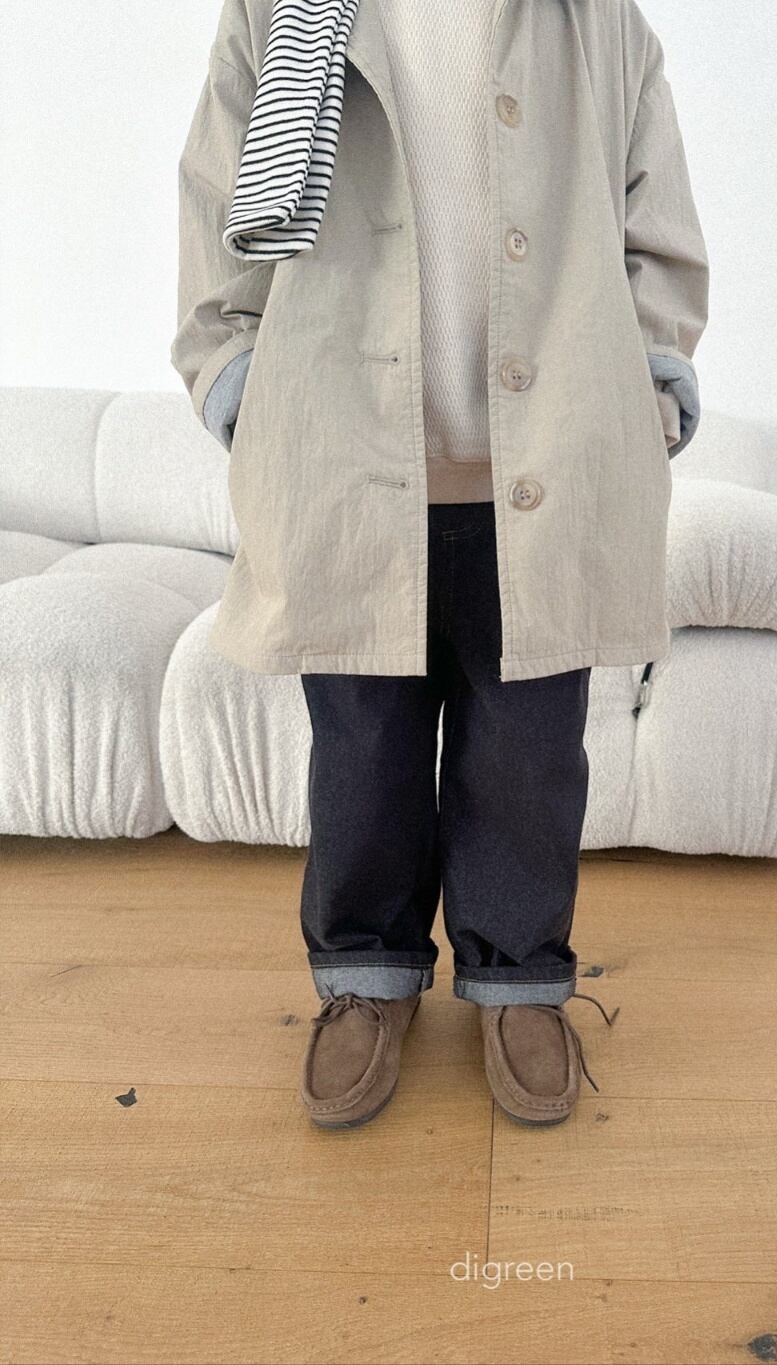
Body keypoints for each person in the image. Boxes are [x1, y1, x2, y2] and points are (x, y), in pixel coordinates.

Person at [171, 0, 709, 1129]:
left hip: (545, 462)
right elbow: (219, 196)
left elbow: (651, 198)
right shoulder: (284, 9)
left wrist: (653, 377)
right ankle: (364, 976)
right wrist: (235, 379)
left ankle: (520, 981)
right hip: (348, 457)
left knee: (527, 752)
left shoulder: (590, 15)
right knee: (361, 746)